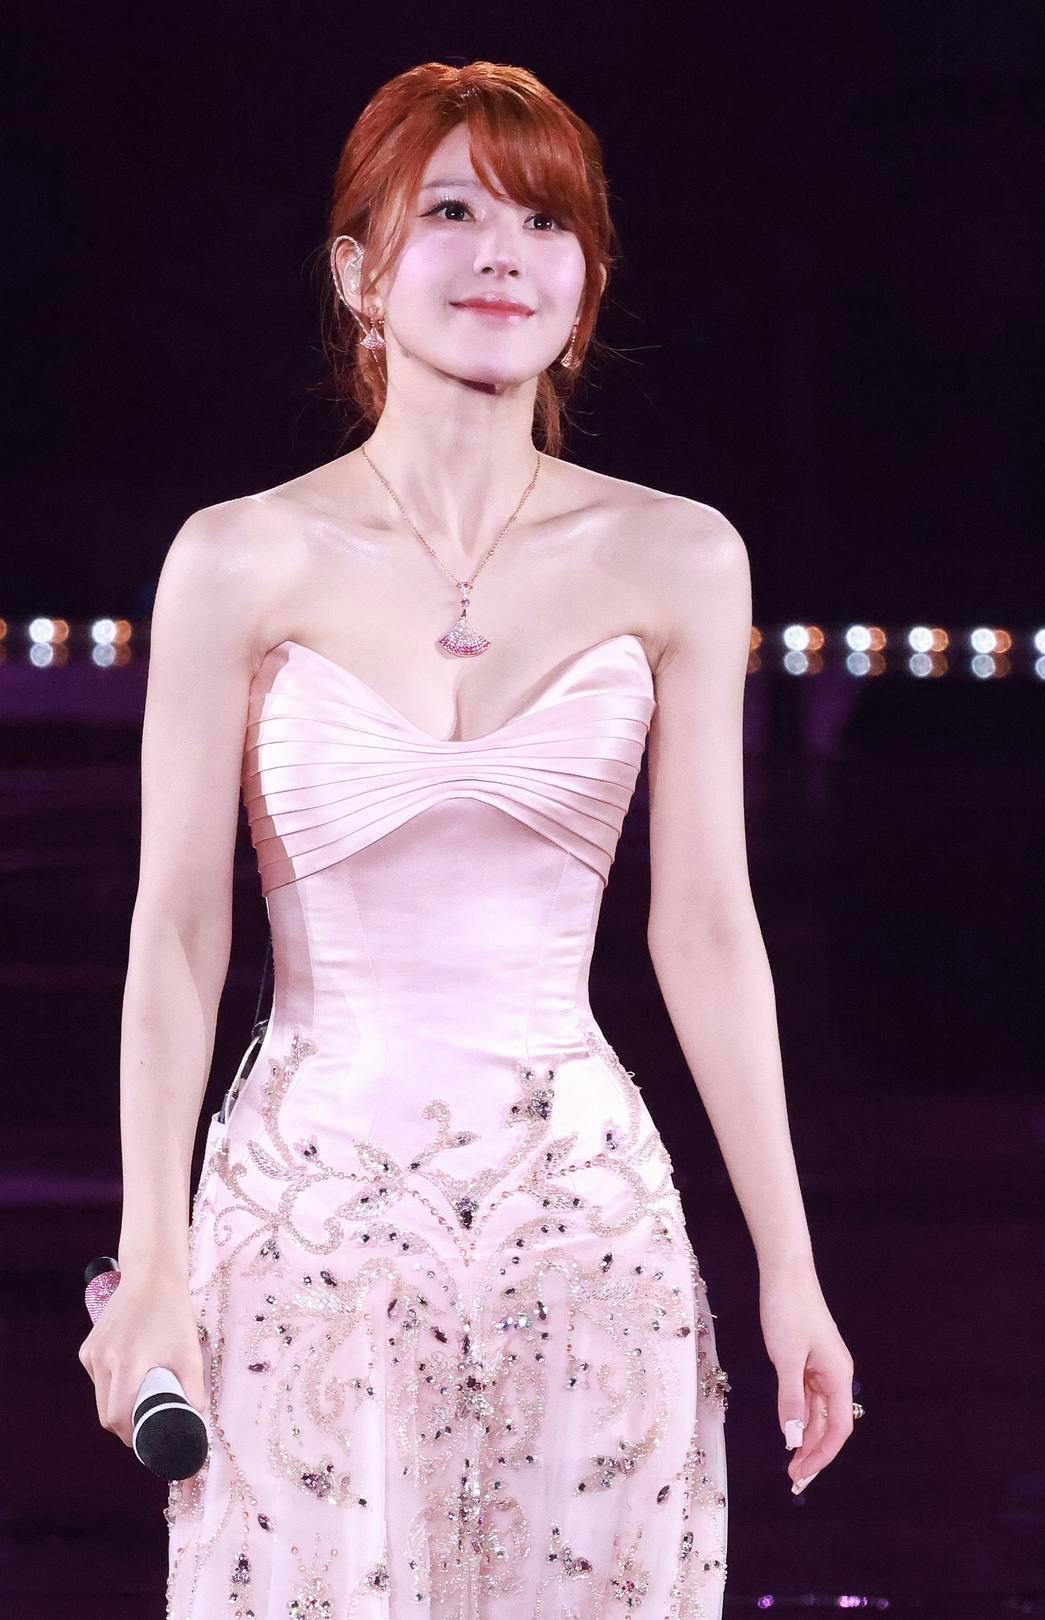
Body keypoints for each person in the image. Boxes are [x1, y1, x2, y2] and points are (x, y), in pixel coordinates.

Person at [78, 59, 857, 1618]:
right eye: (451, 212)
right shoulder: (237, 558)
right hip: (305, 1235)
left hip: (588, 1237)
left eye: (547, 222)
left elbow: (705, 925)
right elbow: (178, 930)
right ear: (360, 274)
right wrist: (151, 1257)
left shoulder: (679, 555)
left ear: (588, 284)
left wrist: (791, 1261)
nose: (504, 254)